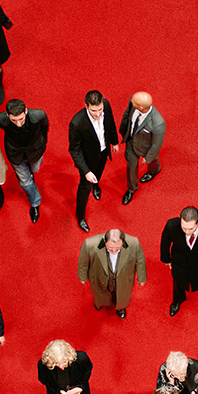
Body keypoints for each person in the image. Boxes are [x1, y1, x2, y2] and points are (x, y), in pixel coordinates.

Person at [68, 91, 120, 222]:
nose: (98, 114)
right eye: (93, 110)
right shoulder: (77, 123)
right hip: (87, 160)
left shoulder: (106, 105)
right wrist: (86, 171)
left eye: (100, 109)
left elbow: (111, 124)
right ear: (86, 106)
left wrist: (114, 142)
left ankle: (96, 186)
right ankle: (80, 216)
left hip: (103, 152)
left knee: (99, 173)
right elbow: (74, 150)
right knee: (85, 187)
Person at [0, 100, 48, 223]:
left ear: (26, 111)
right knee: (25, 182)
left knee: (35, 169)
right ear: (7, 115)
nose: (18, 124)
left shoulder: (38, 115)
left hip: (35, 151)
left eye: (21, 119)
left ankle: (31, 175)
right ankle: (35, 203)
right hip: (15, 154)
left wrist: (42, 142)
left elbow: (45, 127)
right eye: (14, 120)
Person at [79, 225, 145, 320]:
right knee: (99, 293)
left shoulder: (134, 243)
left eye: (118, 248)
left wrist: (142, 277)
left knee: (122, 293)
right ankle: (100, 303)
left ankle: (120, 308)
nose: (114, 251)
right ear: (104, 240)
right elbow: (83, 262)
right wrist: (82, 277)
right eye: (110, 247)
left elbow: (140, 260)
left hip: (123, 278)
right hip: (99, 277)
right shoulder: (89, 244)